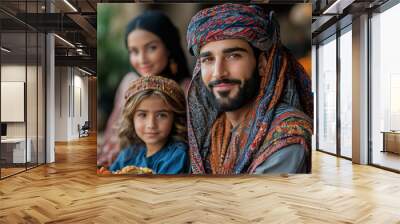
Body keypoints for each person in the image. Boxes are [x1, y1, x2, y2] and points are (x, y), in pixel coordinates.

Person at [186, 4, 313, 174]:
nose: (218, 73)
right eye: (208, 60)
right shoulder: (218, 130)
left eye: (233, 56)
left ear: (262, 64)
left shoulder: (289, 134)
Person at [98, 10, 191, 167]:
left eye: (151, 48)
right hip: (123, 162)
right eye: (134, 51)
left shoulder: (187, 87)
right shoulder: (129, 81)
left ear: (168, 47)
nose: (142, 59)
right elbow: (114, 136)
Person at [109, 76, 189, 174]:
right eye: (142, 115)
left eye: (161, 115)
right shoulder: (128, 154)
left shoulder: (178, 155)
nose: (151, 125)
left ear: (175, 118)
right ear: (131, 118)